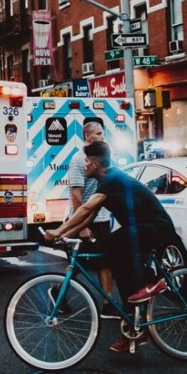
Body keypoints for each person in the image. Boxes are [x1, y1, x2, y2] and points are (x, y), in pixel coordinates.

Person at [45, 140, 178, 353]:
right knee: (118, 264)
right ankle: (134, 329)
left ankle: (153, 282)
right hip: (142, 228)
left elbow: (87, 207)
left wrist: (59, 231)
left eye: (87, 161)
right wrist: (66, 235)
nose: (84, 165)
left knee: (111, 244)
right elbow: (89, 216)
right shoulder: (106, 182)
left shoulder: (112, 178)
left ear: (96, 164)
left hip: (153, 228)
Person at [67, 122, 115, 319]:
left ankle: (108, 303)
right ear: (86, 136)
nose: (102, 136)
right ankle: (58, 293)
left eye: (102, 133)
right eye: (98, 133)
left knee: (106, 261)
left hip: (101, 218)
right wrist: (82, 226)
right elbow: (76, 194)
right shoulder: (79, 160)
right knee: (79, 264)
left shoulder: (101, 158)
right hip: (86, 220)